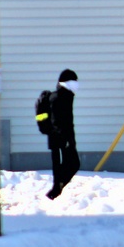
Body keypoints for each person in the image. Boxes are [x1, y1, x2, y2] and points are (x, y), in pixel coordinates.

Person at [46, 68, 81, 199]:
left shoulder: (67, 96)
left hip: (66, 138)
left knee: (72, 164)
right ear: (66, 82)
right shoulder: (58, 97)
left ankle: (57, 187)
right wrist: (64, 139)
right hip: (59, 138)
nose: (77, 83)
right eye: (74, 81)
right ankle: (56, 190)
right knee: (64, 164)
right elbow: (57, 120)